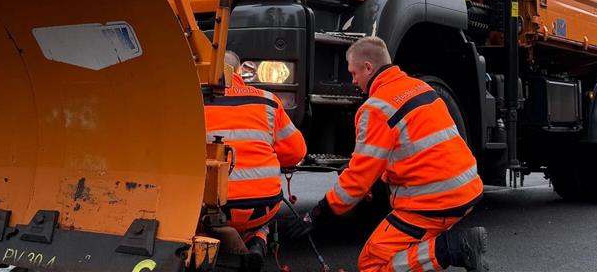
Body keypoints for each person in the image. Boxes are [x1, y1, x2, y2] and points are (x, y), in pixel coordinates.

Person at [288, 37, 488, 271]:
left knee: (371, 264)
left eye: (354, 73)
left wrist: (318, 213)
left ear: (368, 68)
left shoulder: (376, 108)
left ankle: (453, 248)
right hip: (466, 189)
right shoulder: (421, 88)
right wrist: (380, 181)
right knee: (402, 251)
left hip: (433, 202)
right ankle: (449, 246)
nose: (354, 81)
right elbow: (413, 151)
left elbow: (357, 180)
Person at [204, 51, 308, 270]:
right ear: (239, 71)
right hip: (262, 205)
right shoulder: (267, 100)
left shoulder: (193, 101)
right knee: (262, 217)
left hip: (211, 208)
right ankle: (257, 241)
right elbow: (296, 152)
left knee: (199, 218)